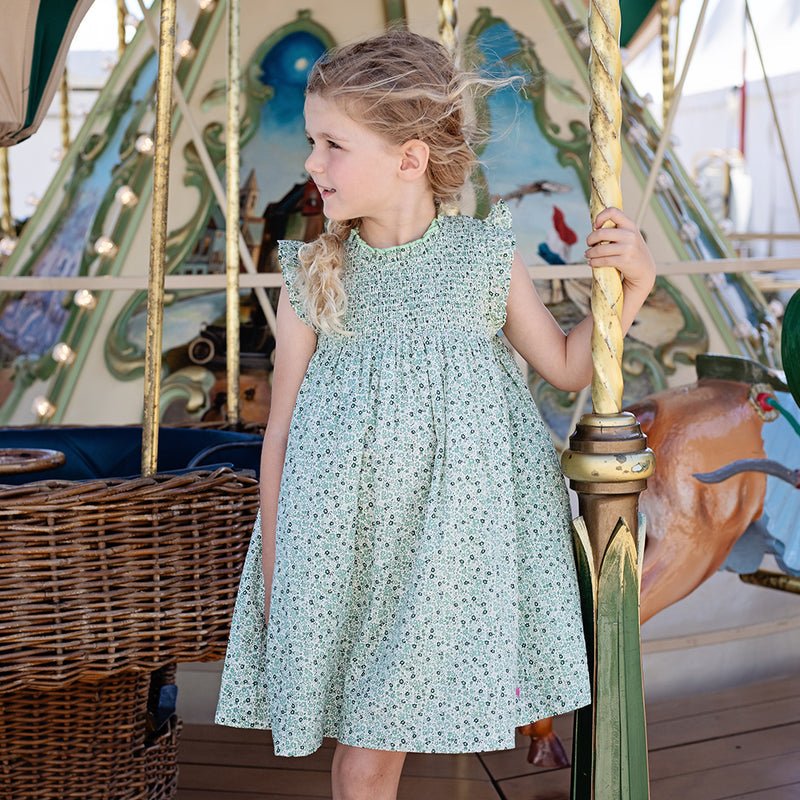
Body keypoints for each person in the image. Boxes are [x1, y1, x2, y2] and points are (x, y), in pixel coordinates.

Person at [215, 27, 656, 800]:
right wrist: (281, 564)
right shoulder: (316, 275)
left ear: (410, 158)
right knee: (365, 754)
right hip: (344, 551)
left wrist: (634, 291)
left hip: (451, 549)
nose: (312, 163)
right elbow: (279, 427)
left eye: (333, 144)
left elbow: (564, 365)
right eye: (313, 141)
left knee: (374, 754)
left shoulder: (481, 256)